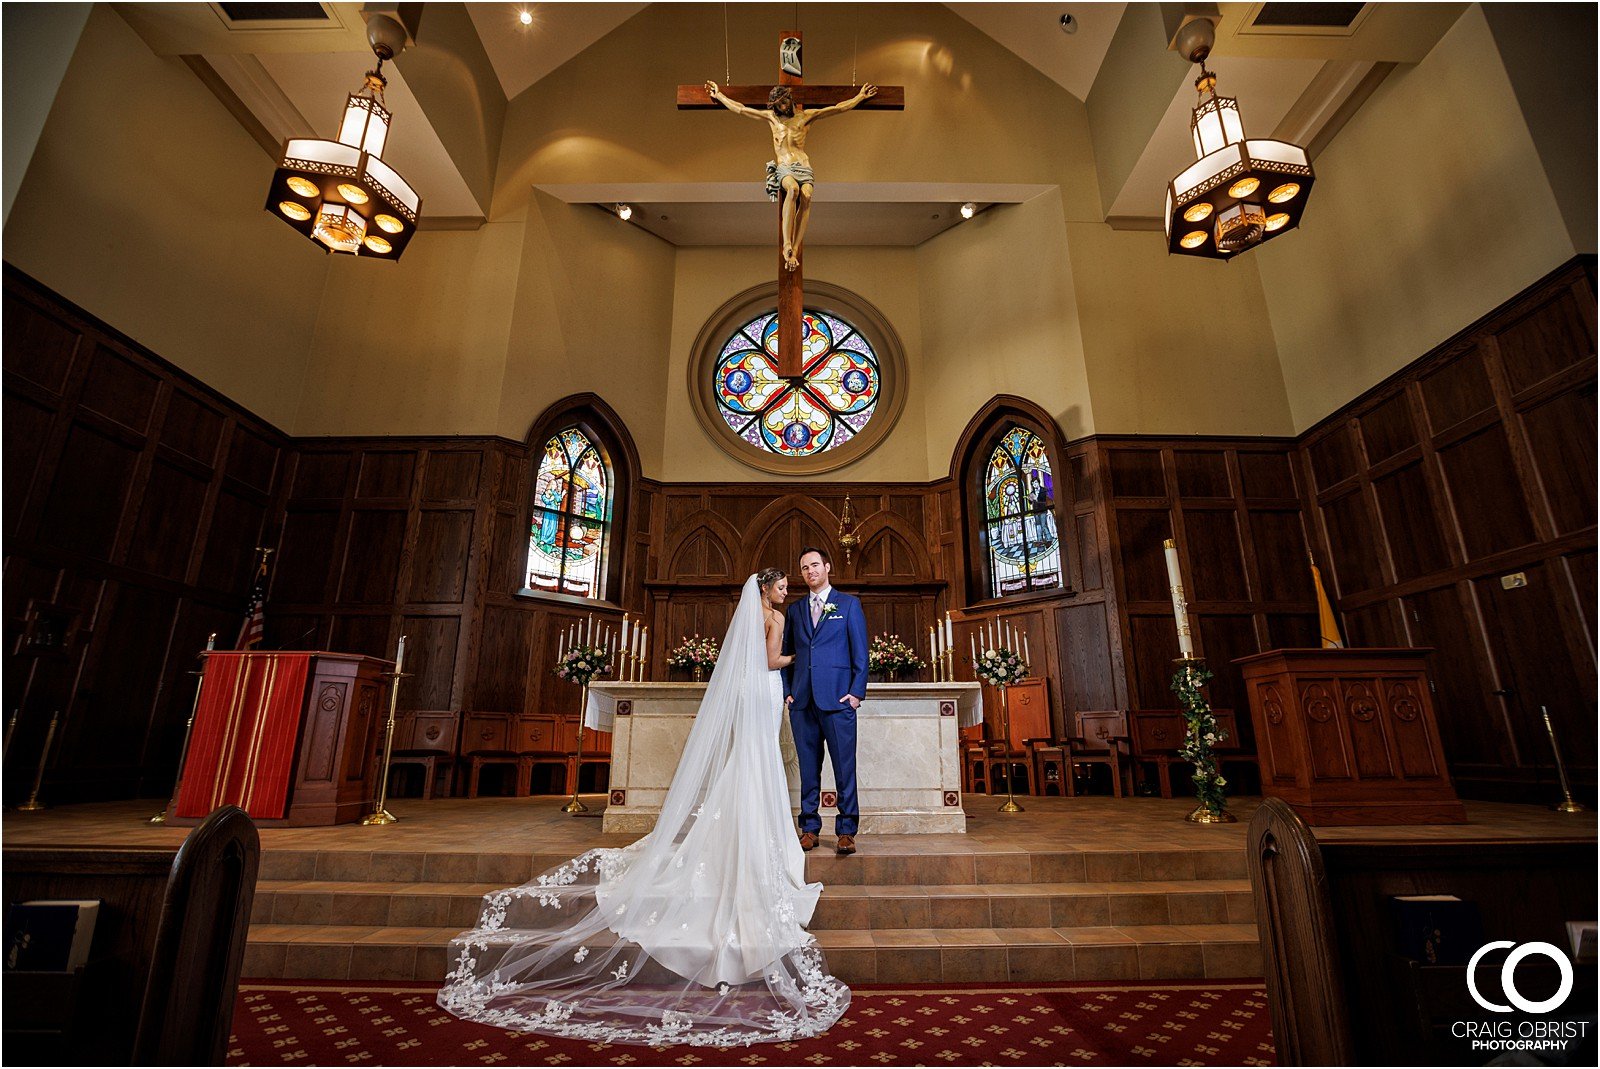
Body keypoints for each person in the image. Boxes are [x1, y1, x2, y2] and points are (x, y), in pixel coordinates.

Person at [436, 570, 848, 1046]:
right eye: (781, 586)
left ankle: (739, 823)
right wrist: (809, 656)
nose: (786, 592)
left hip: (746, 692)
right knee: (761, 760)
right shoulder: (772, 616)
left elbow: (745, 660)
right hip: (766, 689)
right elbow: (773, 660)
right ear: (766, 589)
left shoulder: (745, 615)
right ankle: (759, 829)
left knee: (746, 761)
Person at [703, 80, 877, 271]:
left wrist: (860, 97)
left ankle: (795, 248)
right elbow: (742, 109)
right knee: (793, 190)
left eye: (783, 102)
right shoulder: (772, 118)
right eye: (777, 105)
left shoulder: (806, 117)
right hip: (785, 166)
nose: (781, 107)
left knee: (807, 196)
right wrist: (718, 95)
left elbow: (837, 108)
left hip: (804, 165)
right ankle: (787, 244)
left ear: (789, 99)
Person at [782, 547, 869, 855]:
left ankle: (846, 830)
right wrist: (788, 692)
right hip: (803, 702)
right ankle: (809, 827)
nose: (810, 571)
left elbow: (860, 653)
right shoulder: (794, 611)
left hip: (839, 701)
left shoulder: (849, 604)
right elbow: (787, 655)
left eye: (815, 565)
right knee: (808, 768)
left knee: (845, 768)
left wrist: (856, 694)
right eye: (805, 567)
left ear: (827, 567)